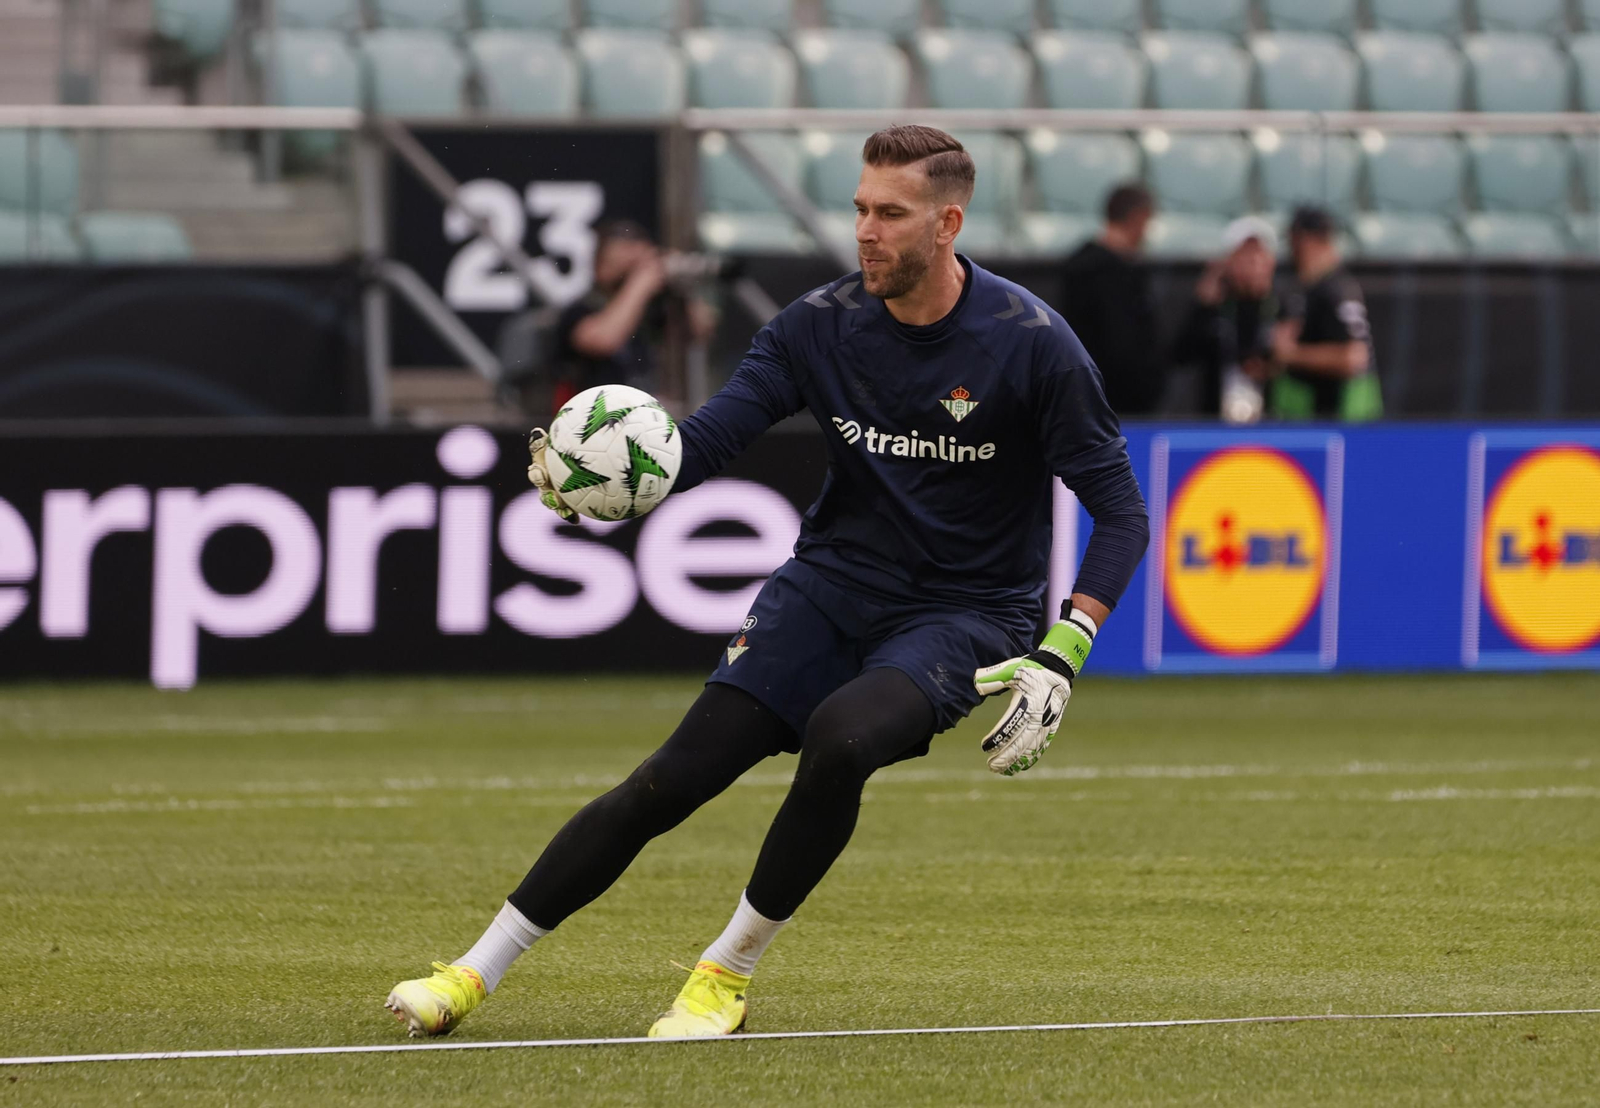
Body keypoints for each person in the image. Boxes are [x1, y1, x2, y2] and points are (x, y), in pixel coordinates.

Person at [384, 126, 1150, 1041]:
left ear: (948, 223)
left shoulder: (1033, 346)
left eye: (890, 214)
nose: (866, 231)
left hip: (966, 614)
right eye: (861, 209)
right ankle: (474, 972)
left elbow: (1123, 513)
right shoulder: (815, 326)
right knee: (669, 781)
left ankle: (723, 975)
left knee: (840, 739)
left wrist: (1064, 649)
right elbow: (705, 442)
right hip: (828, 588)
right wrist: (613, 474)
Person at [544, 220, 717, 415]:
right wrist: (642, 282)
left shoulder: (647, 311)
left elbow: (701, 330)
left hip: (642, 418)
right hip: (587, 421)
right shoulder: (579, 310)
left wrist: (680, 287)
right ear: (598, 265)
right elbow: (603, 340)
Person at [1057, 182, 1163, 414]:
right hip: (1113, 407)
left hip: (1086, 400)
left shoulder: (1078, 266)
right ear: (1138, 218)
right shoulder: (1106, 272)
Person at [1269, 207, 1382, 421]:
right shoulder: (1306, 288)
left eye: (1293, 242)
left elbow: (1354, 357)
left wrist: (1290, 354)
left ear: (1306, 241)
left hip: (1343, 422)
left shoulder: (1337, 289)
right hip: (1311, 415)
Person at [1169, 215, 1281, 422]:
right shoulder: (1214, 307)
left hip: (1274, 424)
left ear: (1271, 262)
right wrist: (1202, 305)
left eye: (1259, 256)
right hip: (1215, 423)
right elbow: (1180, 356)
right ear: (1228, 262)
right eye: (1245, 256)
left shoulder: (1284, 306)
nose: (1254, 264)